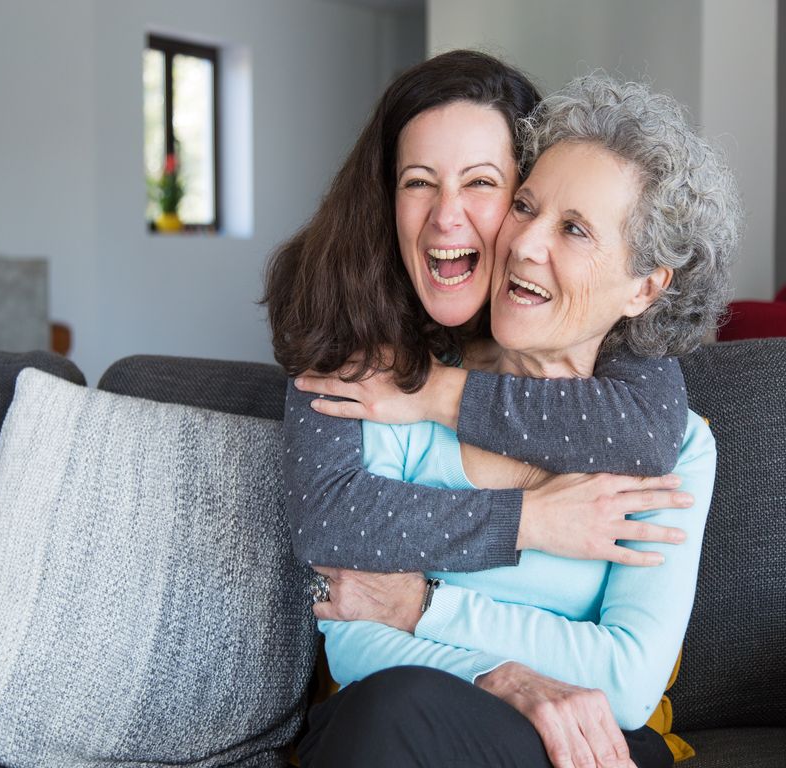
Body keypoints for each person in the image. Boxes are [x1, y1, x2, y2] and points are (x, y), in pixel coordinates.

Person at [296, 74, 740, 768]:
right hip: (401, 725)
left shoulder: (674, 445)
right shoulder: (398, 387)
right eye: (526, 207)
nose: (524, 242)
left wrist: (424, 606)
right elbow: (353, 629)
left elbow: (625, 681)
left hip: (580, 747)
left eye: (573, 229)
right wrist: (501, 678)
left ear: (644, 286)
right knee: (388, 713)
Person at [265, 51, 693, 580]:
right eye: (419, 181)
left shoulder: (577, 309)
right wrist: (526, 520)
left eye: (482, 183)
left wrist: (435, 393)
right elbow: (326, 519)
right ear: (385, 196)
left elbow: (645, 432)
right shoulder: (341, 303)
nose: (446, 217)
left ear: (527, 195)